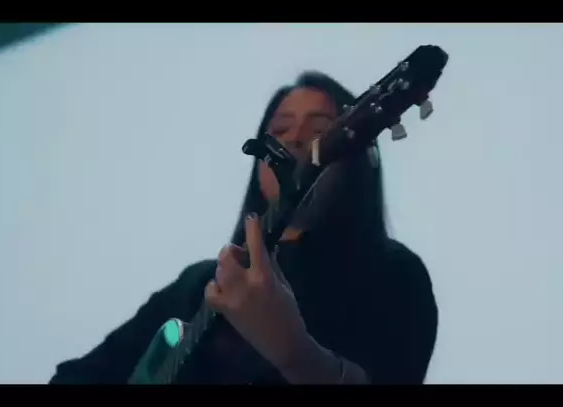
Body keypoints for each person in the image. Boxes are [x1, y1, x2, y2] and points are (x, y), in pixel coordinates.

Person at [49, 71, 438, 385]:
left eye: (320, 128)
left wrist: (296, 353)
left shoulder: (393, 274)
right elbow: (79, 375)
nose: (295, 138)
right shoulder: (199, 286)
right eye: (280, 130)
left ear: (358, 153)